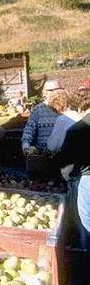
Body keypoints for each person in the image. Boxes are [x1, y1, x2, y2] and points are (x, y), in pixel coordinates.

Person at [54, 92, 90, 250]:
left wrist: (67, 178)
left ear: (80, 109)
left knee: (87, 224)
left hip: (87, 180)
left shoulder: (77, 130)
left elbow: (67, 164)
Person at [21, 80, 62, 153]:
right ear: (44, 93)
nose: (56, 93)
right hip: (43, 153)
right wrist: (26, 145)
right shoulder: (38, 109)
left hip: (64, 153)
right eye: (51, 90)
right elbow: (29, 130)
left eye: (58, 89)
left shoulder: (67, 109)